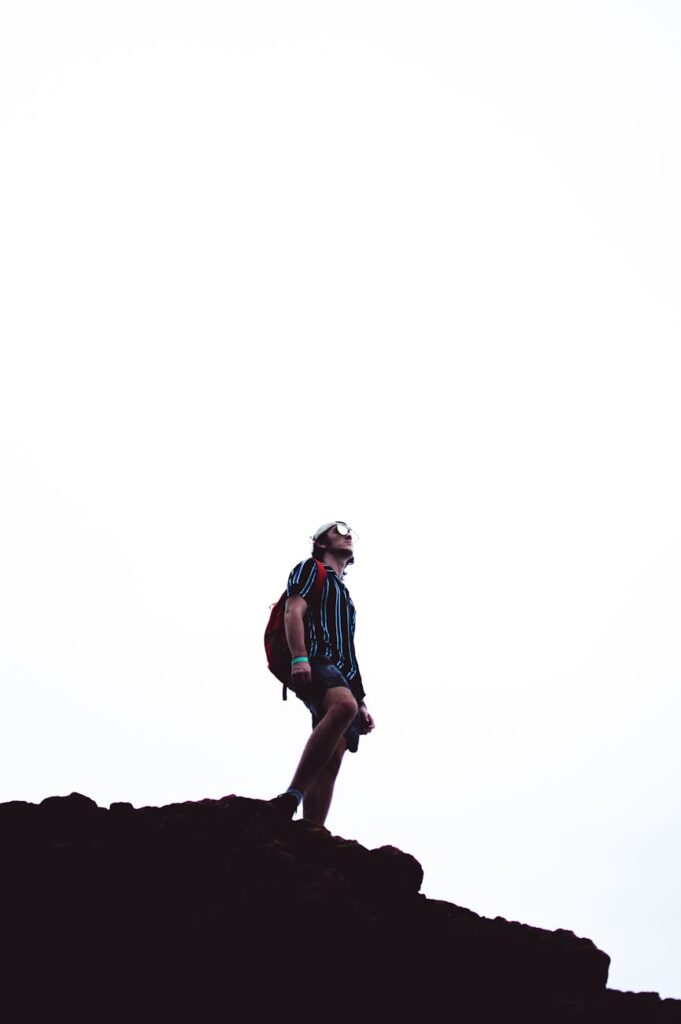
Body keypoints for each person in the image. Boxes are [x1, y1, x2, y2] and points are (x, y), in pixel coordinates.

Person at [270, 521, 374, 825]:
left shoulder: (346, 598)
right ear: (321, 543)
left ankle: (312, 831)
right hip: (315, 657)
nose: (347, 533)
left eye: (350, 530)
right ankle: (291, 797)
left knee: (331, 760)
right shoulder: (310, 569)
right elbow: (293, 611)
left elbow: (350, 651)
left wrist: (362, 700)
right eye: (338, 528)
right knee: (343, 707)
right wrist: (299, 657)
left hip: (343, 673)